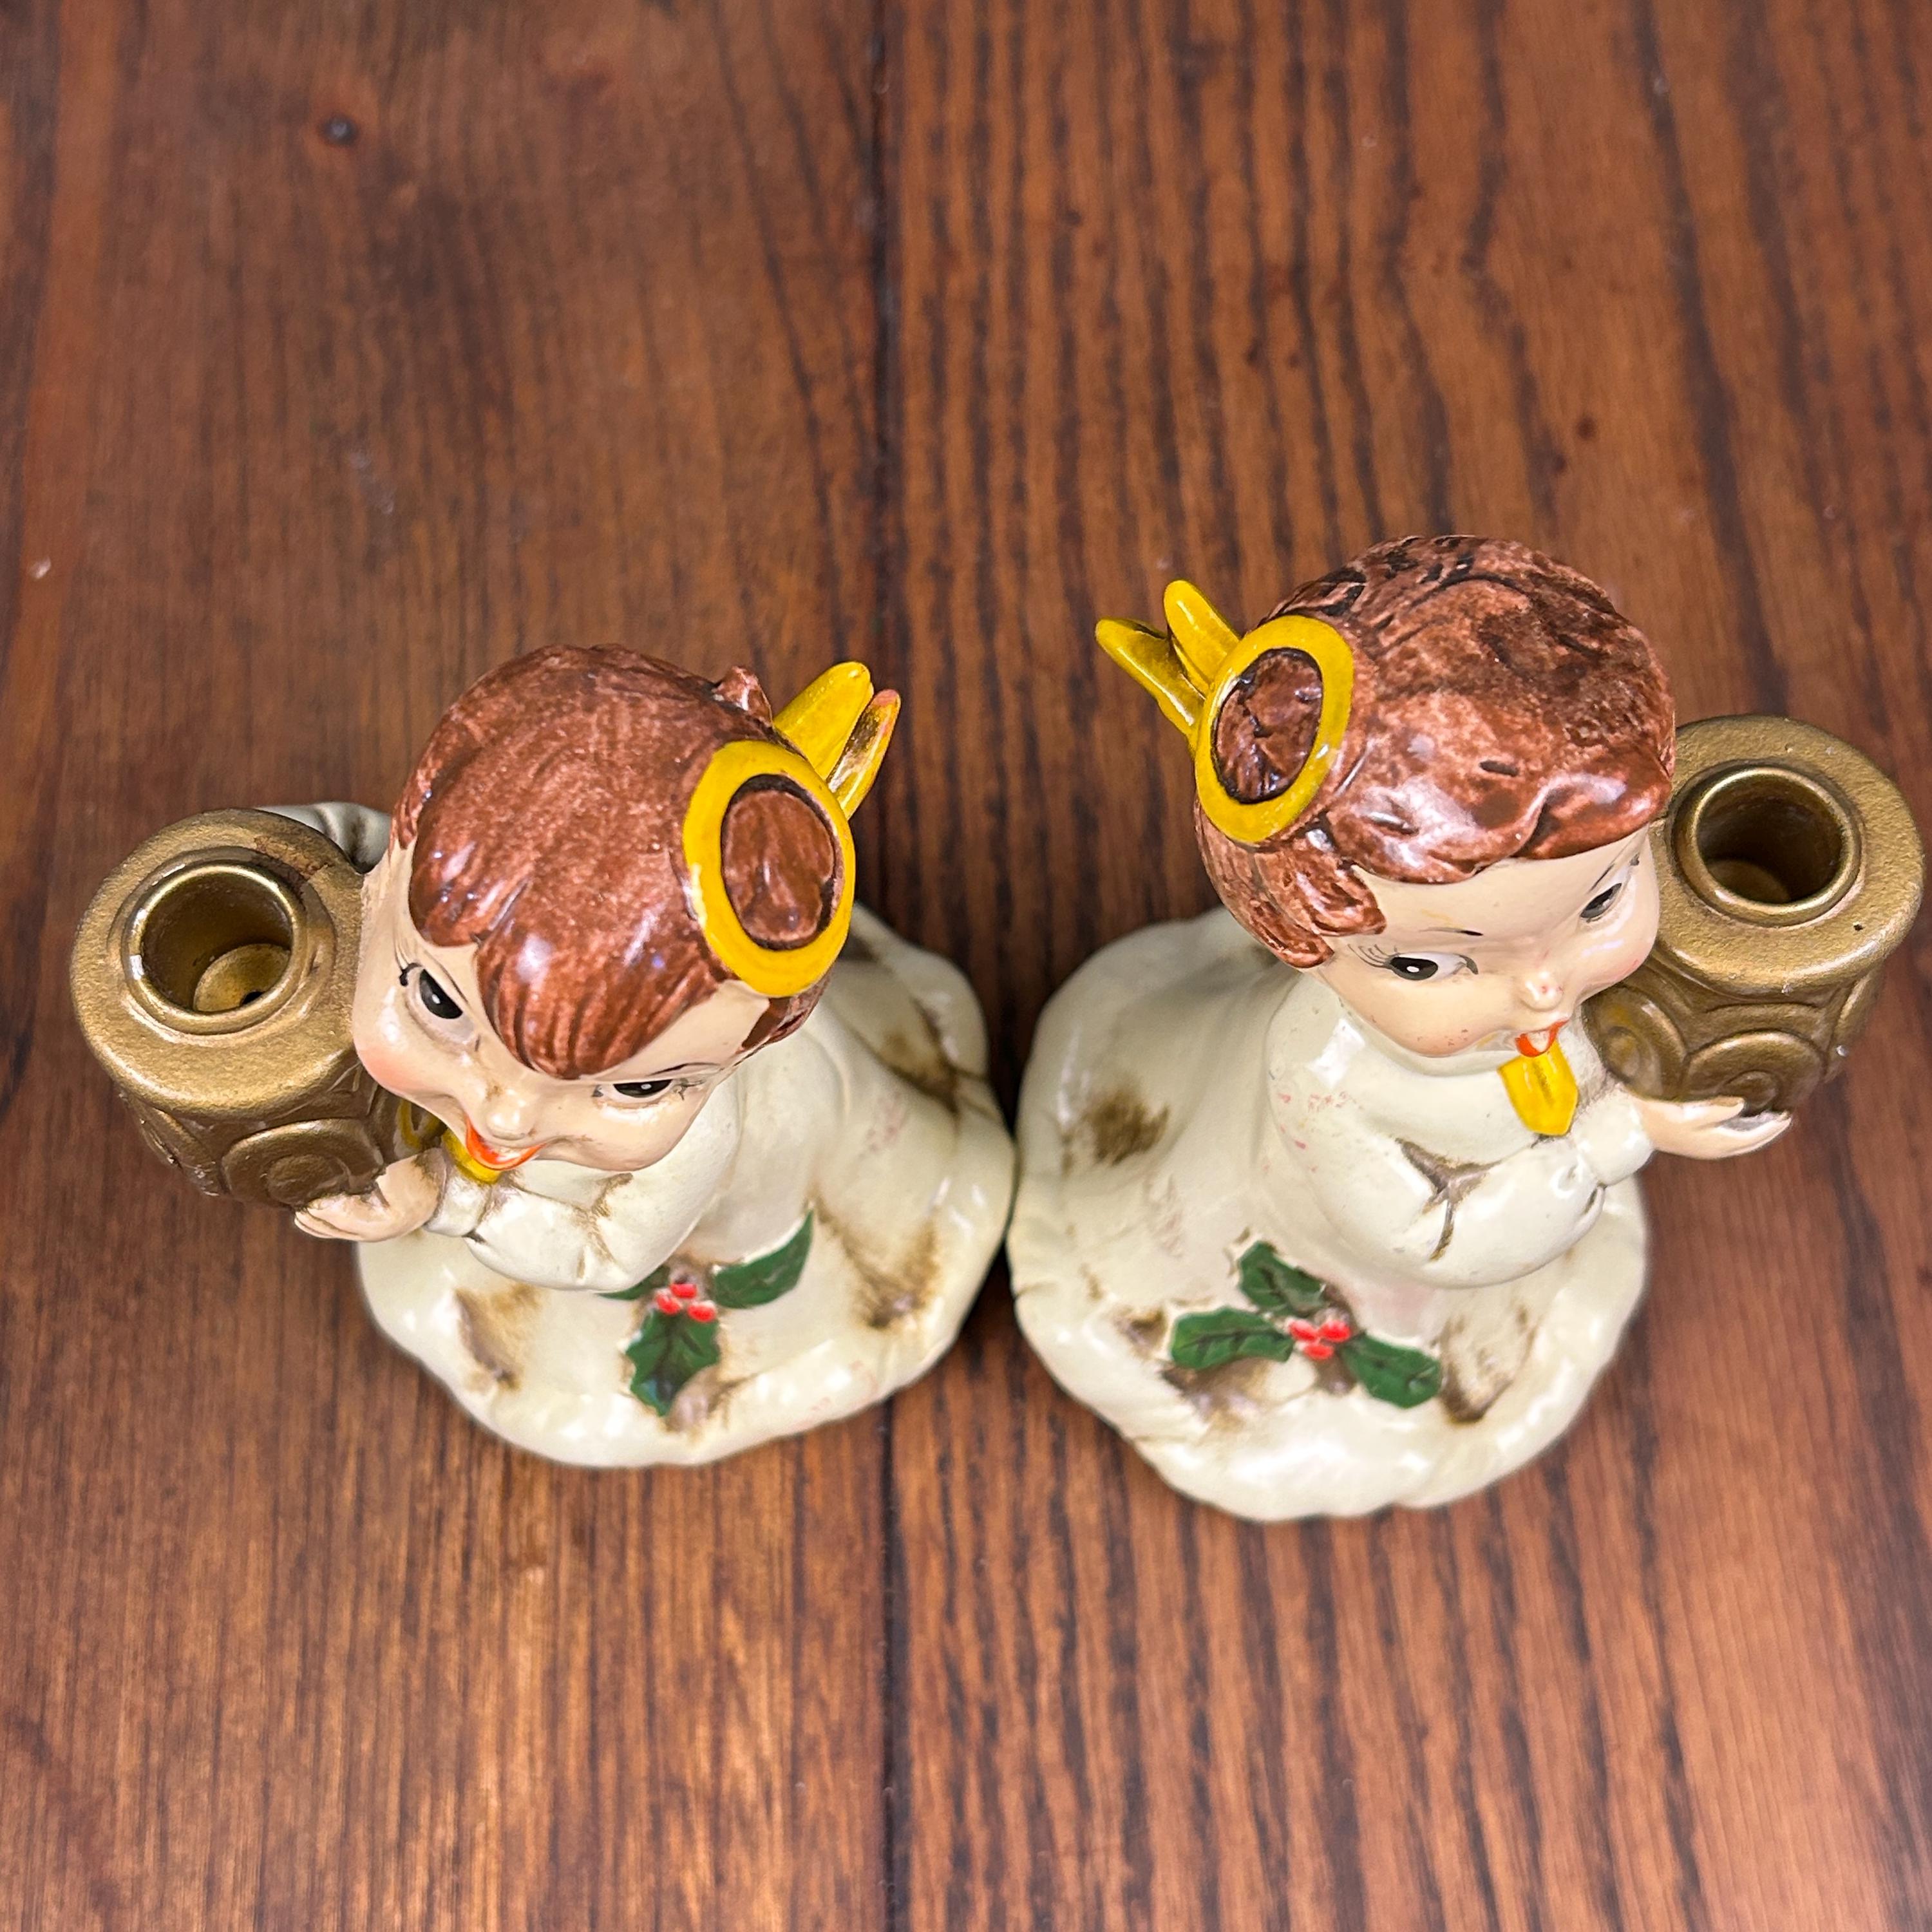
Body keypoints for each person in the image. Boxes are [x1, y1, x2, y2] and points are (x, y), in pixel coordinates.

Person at [1010, 536, 1784, 1519]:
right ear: (1302, 941)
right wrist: (1618, 1136)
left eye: (1600, 901)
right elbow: (1423, 1238)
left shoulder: (1551, 980)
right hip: (1351, 1240)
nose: (1543, 986)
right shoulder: (1323, 1079)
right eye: (1425, 964)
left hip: (1542, 1188)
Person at [281, 644, 1013, 1466]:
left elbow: (605, 1251)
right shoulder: (413, 882)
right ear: (387, 878)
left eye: (641, 1087)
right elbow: (329, 852)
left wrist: (452, 1205)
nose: (508, 1115)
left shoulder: (700, 1139)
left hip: (653, 1225)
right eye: (441, 1002)